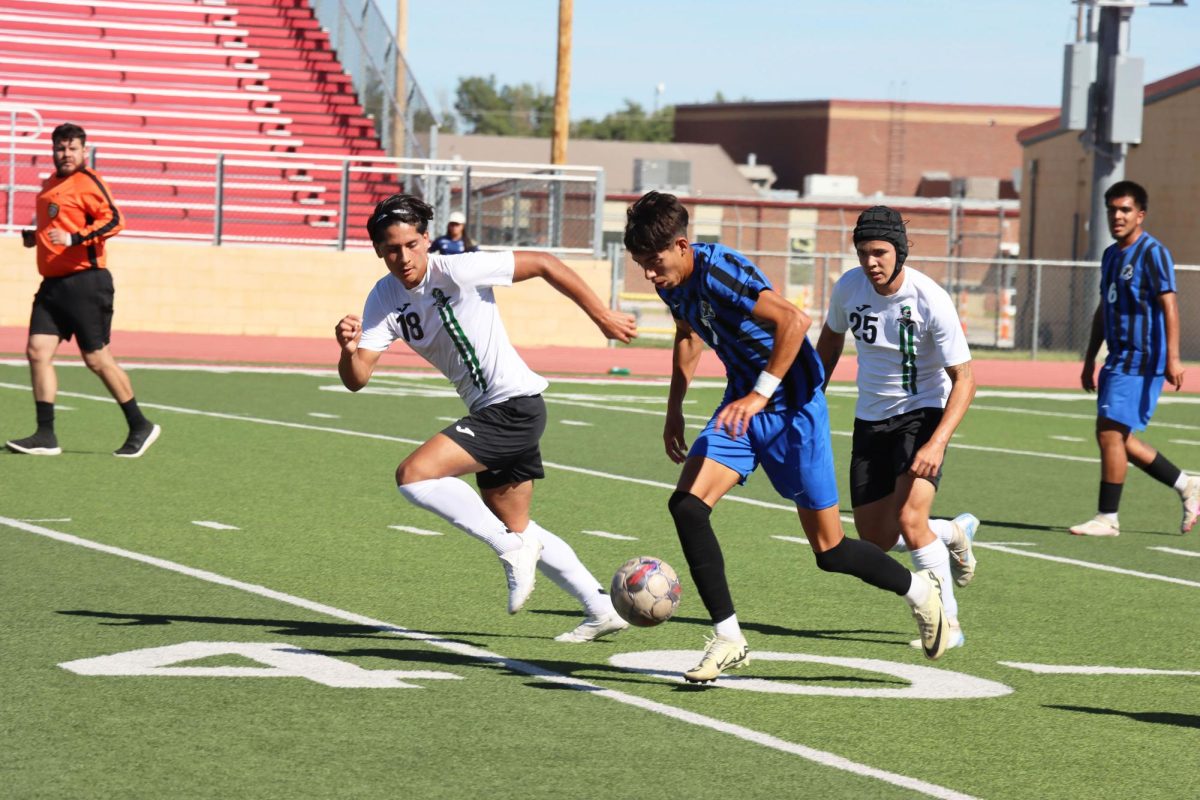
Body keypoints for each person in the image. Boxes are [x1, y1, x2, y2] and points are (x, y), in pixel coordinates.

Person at [623, 191, 949, 684]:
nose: (648, 273)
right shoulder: (672, 282)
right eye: (640, 263)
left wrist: (760, 394)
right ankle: (729, 639)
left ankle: (921, 590)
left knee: (832, 551)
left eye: (653, 261)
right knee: (687, 506)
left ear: (683, 245)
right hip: (742, 410)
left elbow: (795, 321)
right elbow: (688, 333)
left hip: (795, 410)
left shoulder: (721, 270)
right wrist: (674, 407)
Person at [335, 194, 638, 642]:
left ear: (426, 240)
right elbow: (357, 377)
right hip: (493, 411)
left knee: (414, 475)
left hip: (514, 406)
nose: (403, 257)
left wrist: (602, 316)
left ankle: (509, 549)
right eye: (392, 249)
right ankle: (599, 607)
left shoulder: (457, 269)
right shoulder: (383, 296)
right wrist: (345, 349)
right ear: (379, 250)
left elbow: (545, 263)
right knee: (519, 526)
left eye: (411, 244)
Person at [816, 206, 979, 652]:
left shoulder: (930, 298)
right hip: (870, 420)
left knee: (910, 519)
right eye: (864, 252)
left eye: (880, 252)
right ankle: (952, 533)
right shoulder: (849, 287)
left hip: (922, 414)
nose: (871, 262)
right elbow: (830, 339)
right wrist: (813, 392)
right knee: (877, 540)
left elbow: (965, 380)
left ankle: (949, 623)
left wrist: (937, 442)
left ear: (900, 252)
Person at [5, 122, 160, 458]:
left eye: (72, 148)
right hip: (52, 285)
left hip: (86, 282)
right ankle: (46, 435)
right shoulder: (49, 184)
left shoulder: (89, 181)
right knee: (37, 351)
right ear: (53, 150)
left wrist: (76, 238)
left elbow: (115, 219)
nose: (66, 154)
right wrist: (37, 237)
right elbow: (59, 226)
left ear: (83, 151)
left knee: (95, 358)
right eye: (61, 148)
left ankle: (139, 424)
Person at [1070, 180, 1200, 537]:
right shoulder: (1111, 255)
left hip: (1143, 360)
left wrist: (1174, 358)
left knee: (1110, 433)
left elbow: (1169, 304)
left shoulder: (1153, 252)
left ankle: (1107, 518)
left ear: (1140, 215)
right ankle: (1187, 485)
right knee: (1117, 438)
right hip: (1116, 359)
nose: (1117, 216)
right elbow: (1103, 308)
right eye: (1112, 209)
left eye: (1125, 209)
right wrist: (1088, 360)